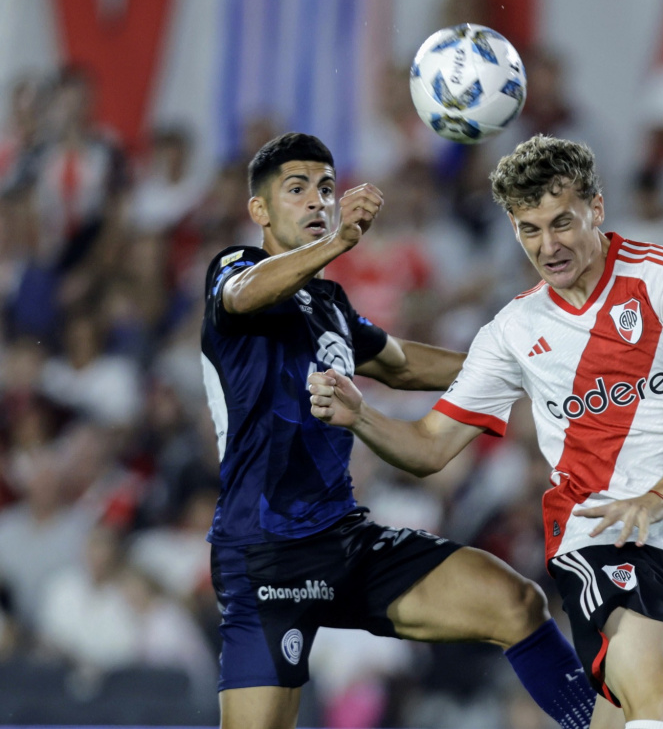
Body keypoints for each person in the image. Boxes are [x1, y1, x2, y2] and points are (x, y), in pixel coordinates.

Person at [309, 135, 663, 729]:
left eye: (561, 223)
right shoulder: (514, 330)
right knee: (661, 704)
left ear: (596, 209)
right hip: (598, 535)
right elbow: (430, 447)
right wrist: (362, 417)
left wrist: (659, 497)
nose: (548, 246)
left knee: (630, 717)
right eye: (529, 230)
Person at [201, 133, 597, 729]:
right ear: (259, 210)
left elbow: (404, 364)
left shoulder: (329, 304)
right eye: (297, 189)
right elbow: (244, 295)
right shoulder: (235, 269)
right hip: (263, 555)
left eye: (326, 189)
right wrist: (338, 242)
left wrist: (523, 367)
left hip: (343, 540)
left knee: (516, 602)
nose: (317, 201)